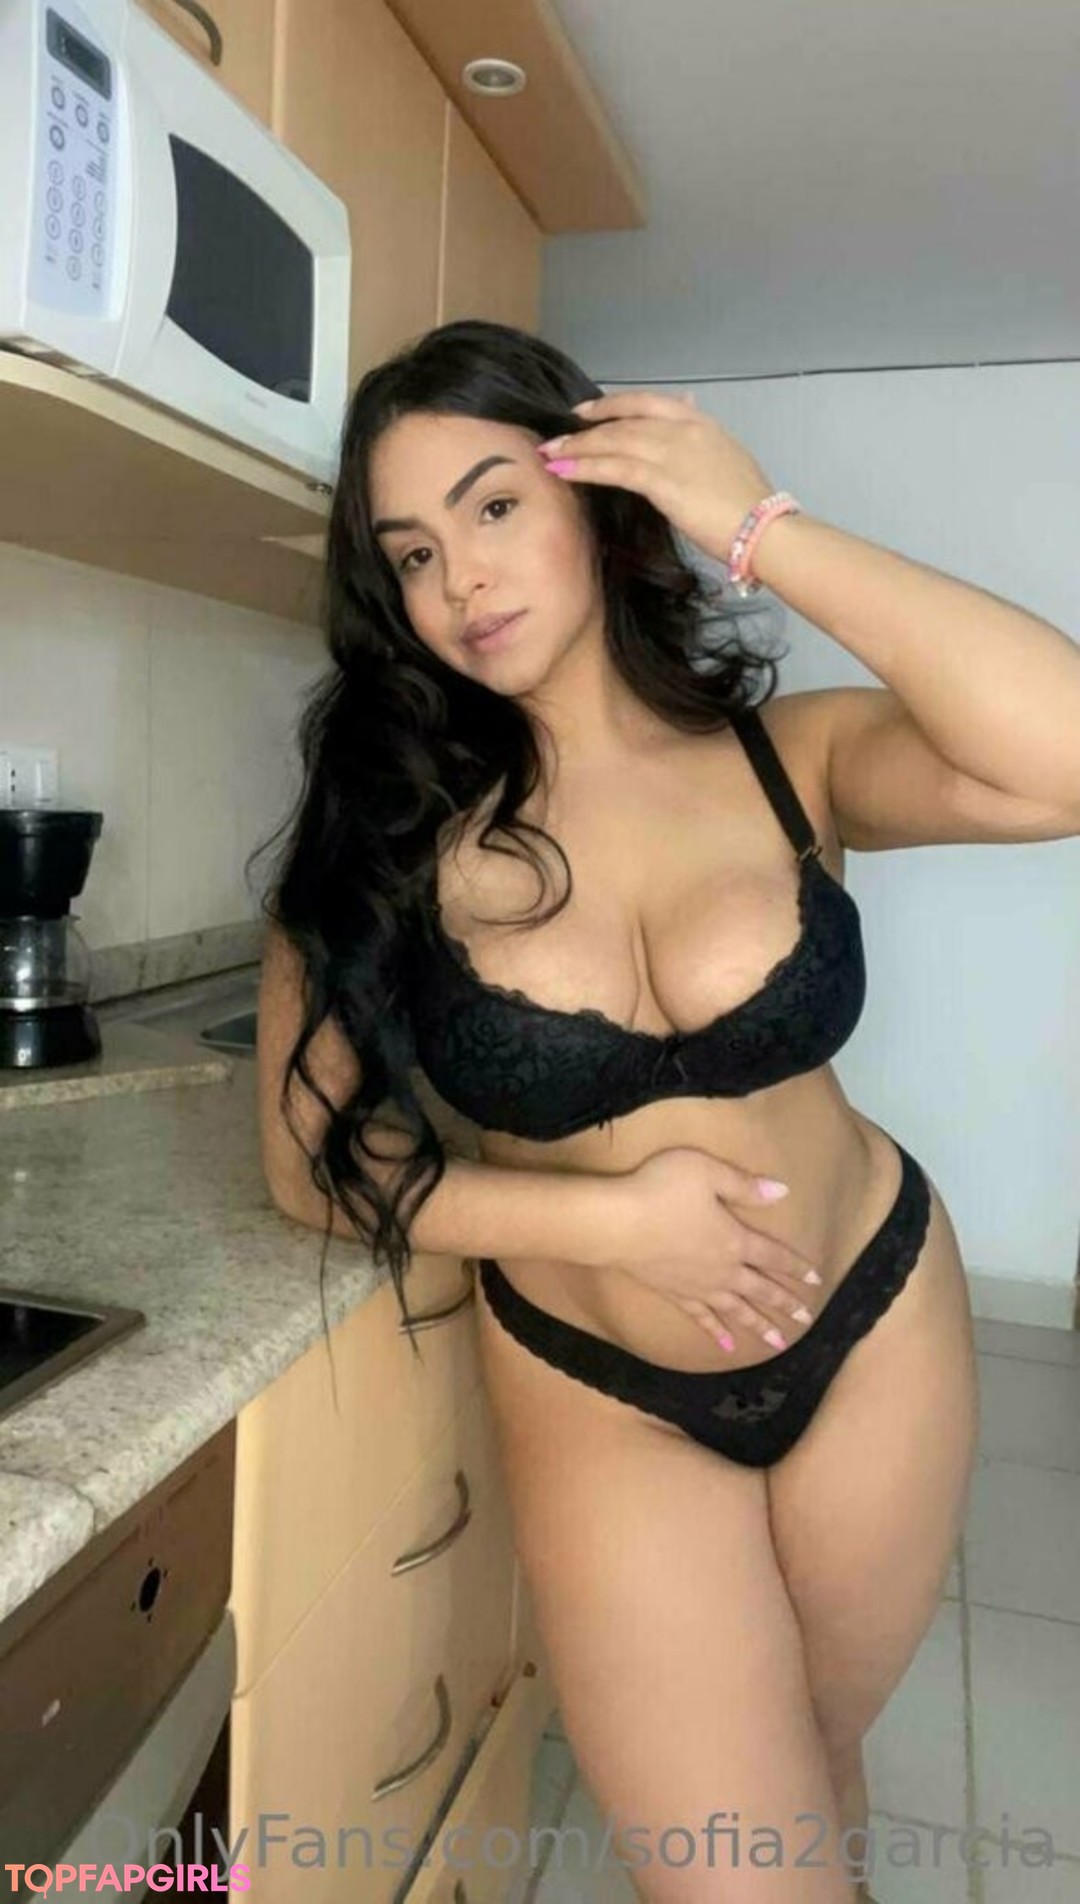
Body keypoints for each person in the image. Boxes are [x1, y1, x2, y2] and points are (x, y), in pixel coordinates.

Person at [253, 320, 1080, 1902]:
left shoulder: (791, 761)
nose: (460, 579)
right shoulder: (388, 829)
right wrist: (615, 1220)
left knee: (818, 1761)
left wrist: (760, 526)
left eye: (497, 507)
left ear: (599, 500)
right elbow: (311, 1169)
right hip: (605, 1391)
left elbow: (1066, 754)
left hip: (877, 1319)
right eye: (412, 552)